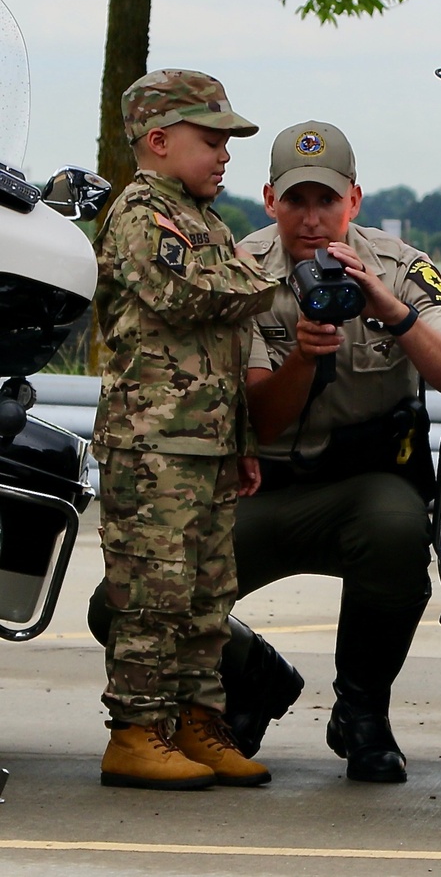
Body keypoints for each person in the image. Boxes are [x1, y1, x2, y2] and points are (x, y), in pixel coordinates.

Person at [90, 119, 441, 784]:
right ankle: (254, 678)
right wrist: (305, 356)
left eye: (326, 202)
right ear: (271, 199)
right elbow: (260, 422)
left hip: (364, 495)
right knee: (119, 606)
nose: (312, 219)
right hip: (264, 488)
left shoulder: (398, 266)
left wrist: (391, 310)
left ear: (354, 202)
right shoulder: (239, 272)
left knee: (395, 529)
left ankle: (361, 713)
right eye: (296, 201)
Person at [92, 69, 279, 790]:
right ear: (160, 141)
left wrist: (242, 445)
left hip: (203, 443)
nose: (225, 156)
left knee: (207, 598)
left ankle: (199, 722)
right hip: (153, 445)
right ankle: (137, 731)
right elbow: (191, 292)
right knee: (153, 595)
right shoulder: (141, 213)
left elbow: (224, 352)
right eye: (212, 141)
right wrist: (269, 281)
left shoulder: (203, 219)